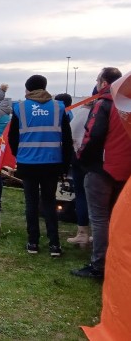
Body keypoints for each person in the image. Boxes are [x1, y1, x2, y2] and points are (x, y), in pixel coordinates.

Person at [72, 67, 131, 278]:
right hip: (125, 170)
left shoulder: (104, 104)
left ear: (104, 83)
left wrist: (82, 160)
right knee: (117, 218)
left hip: (102, 168)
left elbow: (92, 136)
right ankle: (117, 262)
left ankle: (99, 265)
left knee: (99, 218)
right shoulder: (126, 105)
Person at [8, 74, 72, 257]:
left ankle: (33, 242)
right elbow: (67, 140)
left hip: (28, 163)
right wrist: (65, 165)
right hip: (52, 163)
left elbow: (13, 137)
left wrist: (19, 155)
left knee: (31, 203)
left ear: (28, 89)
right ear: (45, 87)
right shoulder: (59, 108)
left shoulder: (20, 108)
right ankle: (54, 245)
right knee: (50, 203)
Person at [65, 98, 92, 246]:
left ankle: (82, 233)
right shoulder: (114, 109)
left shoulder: (84, 112)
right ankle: (102, 233)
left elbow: (71, 134)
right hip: (101, 161)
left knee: (81, 194)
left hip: (81, 158)